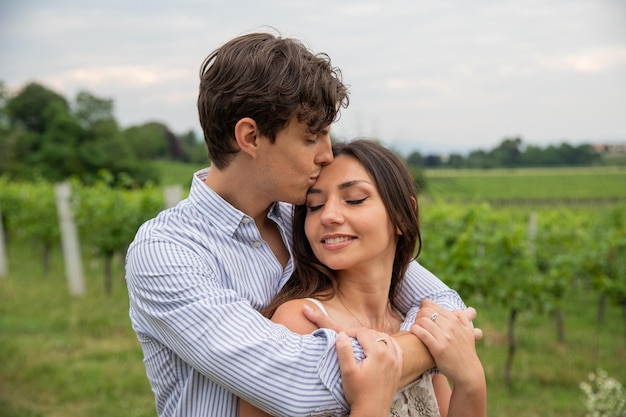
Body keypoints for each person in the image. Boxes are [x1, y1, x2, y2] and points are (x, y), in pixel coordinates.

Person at [125, 31, 477, 417]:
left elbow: (444, 306)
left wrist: (437, 346)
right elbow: (299, 384)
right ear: (250, 137)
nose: (327, 155)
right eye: (311, 138)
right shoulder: (167, 252)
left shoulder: (311, 221)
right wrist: (433, 348)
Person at [239, 140, 486, 417]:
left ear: (403, 217)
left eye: (354, 199)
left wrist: (471, 380)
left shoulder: (415, 322)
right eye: (315, 205)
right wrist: (370, 404)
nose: (329, 216)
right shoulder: (302, 321)